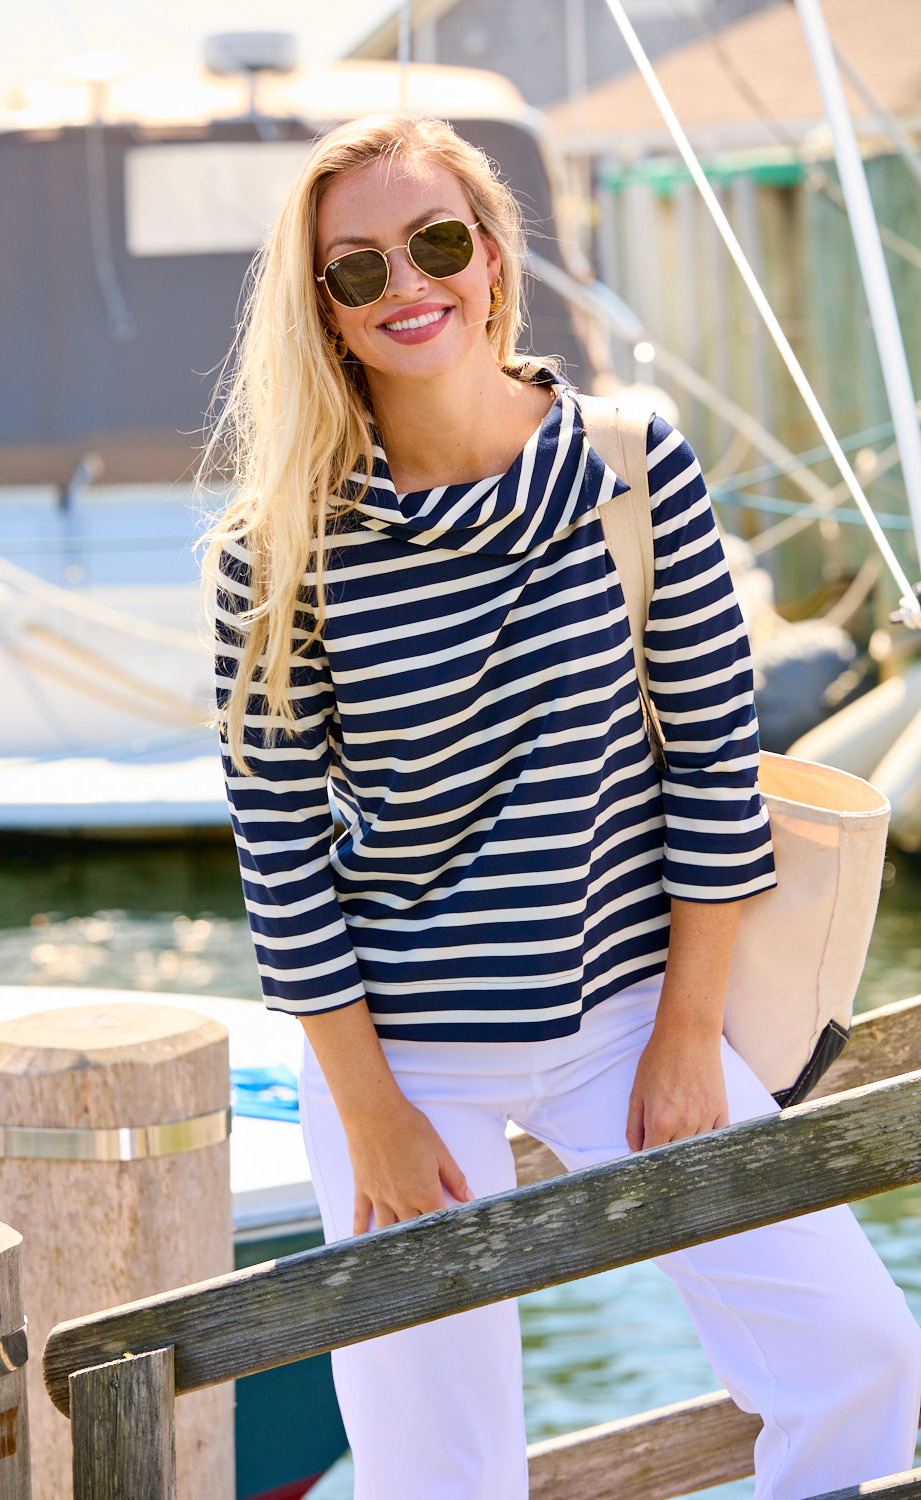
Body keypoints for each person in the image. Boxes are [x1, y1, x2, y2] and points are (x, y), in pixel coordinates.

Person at [203, 114, 921, 1500]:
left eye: (436, 243)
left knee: (860, 1354)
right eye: (357, 270)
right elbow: (282, 856)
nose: (407, 284)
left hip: (633, 1019)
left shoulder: (628, 463)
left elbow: (712, 760)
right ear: (326, 314)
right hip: (400, 1061)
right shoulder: (276, 546)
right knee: (436, 1473)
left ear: (490, 260)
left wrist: (685, 1037)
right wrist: (373, 1113)